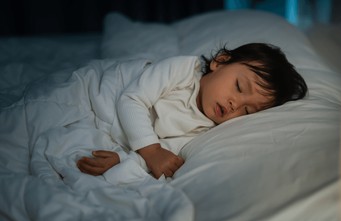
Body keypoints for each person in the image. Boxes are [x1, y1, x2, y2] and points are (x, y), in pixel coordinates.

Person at [77, 43, 307, 180]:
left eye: (247, 111)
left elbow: (166, 155)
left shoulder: (206, 128)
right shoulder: (183, 70)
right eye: (238, 87)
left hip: (121, 132)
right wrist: (151, 149)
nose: (234, 105)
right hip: (99, 89)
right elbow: (132, 98)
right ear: (220, 61)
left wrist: (124, 159)